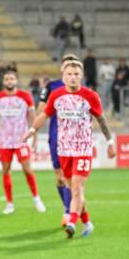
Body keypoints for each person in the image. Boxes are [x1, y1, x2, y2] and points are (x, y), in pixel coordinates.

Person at [23, 57, 116, 238]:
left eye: (76, 74)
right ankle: (86, 221)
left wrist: (110, 143)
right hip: (64, 149)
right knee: (72, 187)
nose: (73, 77)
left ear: (81, 76)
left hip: (83, 149)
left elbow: (101, 119)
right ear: (63, 76)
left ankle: (72, 222)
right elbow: (45, 114)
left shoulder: (90, 96)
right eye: (69, 74)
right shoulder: (56, 96)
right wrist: (32, 130)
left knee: (76, 186)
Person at [0, 69, 46, 215]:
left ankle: (36, 198)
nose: (9, 81)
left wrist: (35, 138)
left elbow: (33, 117)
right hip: (5, 141)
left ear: (16, 80)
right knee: (6, 170)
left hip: (22, 140)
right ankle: (10, 204)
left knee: (27, 169)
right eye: (7, 79)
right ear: (3, 81)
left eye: (11, 79)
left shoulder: (25, 96)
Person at [36, 55, 79, 226]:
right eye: (67, 66)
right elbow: (41, 110)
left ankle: (70, 212)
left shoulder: (82, 89)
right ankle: (68, 207)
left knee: (74, 178)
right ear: (62, 69)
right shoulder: (51, 87)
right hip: (56, 136)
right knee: (60, 177)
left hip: (75, 138)